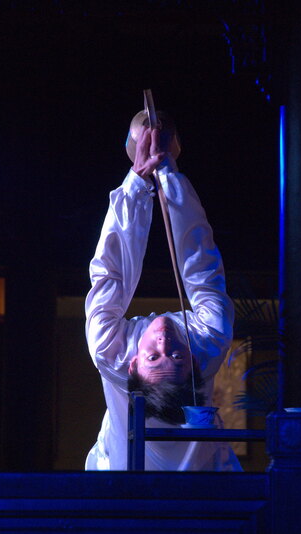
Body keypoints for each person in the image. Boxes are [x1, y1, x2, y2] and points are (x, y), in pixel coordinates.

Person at [85, 126, 241, 471]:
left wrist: (137, 182)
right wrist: (168, 172)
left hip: (118, 476)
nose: (165, 340)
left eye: (153, 356)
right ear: (195, 363)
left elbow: (110, 272)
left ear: (131, 365)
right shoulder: (209, 341)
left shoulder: (109, 350)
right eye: (175, 355)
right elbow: (200, 261)